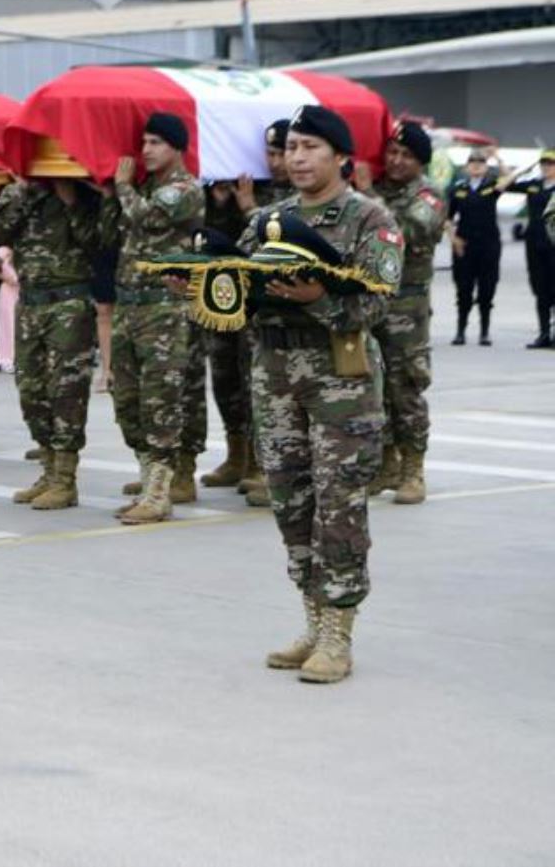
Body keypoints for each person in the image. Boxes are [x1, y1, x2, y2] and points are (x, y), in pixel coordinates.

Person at [240, 105, 399, 684]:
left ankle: (339, 632)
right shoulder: (267, 220)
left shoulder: (369, 218)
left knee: (339, 506)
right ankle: (311, 619)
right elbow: (239, 278)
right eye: (292, 147)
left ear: (340, 157)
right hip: (275, 372)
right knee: (291, 500)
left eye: (311, 147)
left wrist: (318, 300)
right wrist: (209, 287)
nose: (298, 157)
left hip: (341, 377)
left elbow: (378, 300)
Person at [99, 112, 205, 524]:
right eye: (142, 143)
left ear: (177, 147)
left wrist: (122, 186)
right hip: (130, 305)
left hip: (166, 308)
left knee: (161, 400)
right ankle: (149, 482)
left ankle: (161, 492)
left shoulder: (185, 189)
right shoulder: (144, 188)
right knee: (127, 399)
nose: (145, 151)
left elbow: (146, 217)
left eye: (155, 143)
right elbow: (112, 233)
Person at [0, 173, 101, 509]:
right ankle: (49, 470)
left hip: (68, 301)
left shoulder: (82, 190)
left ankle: (65, 479)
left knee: (66, 391)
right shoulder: (19, 190)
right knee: (31, 390)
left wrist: (71, 202)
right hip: (31, 302)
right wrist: (21, 189)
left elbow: (97, 241)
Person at [199, 119, 293, 505]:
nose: (274, 161)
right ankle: (237, 454)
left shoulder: (295, 195)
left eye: (280, 152)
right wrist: (222, 206)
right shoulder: (251, 185)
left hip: (272, 307)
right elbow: (228, 244)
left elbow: (277, 240)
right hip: (234, 300)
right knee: (227, 377)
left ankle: (261, 463)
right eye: (269, 153)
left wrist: (250, 207)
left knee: (262, 386)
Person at [365, 121, 446, 505]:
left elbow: (403, 231)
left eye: (406, 156)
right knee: (374, 386)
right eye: (392, 153)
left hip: (407, 307)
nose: (396, 161)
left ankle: (414, 469)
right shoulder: (380, 190)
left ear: (421, 162)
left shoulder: (428, 196)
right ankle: (386, 463)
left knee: (406, 388)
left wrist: (366, 194)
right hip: (373, 300)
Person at [446, 146, 506, 345]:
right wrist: (453, 238)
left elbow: (509, 178)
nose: (476, 166)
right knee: (463, 289)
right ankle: (460, 331)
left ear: (486, 167)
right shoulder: (458, 189)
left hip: (488, 244)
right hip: (465, 243)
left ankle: (484, 332)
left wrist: (497, 157)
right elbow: (447, 218)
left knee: (487, 289)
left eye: (481, 163)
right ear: (466, 166)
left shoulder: (492, 186)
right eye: (473, 163)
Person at [505, 148, 555, 348]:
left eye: (550, 164)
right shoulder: (534, 186)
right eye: (543, 163)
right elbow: (504, 185)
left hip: (554, 245)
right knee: (539, 289)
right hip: (534, 244)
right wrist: (524, 169)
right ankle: (544, 333)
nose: (546, 167)